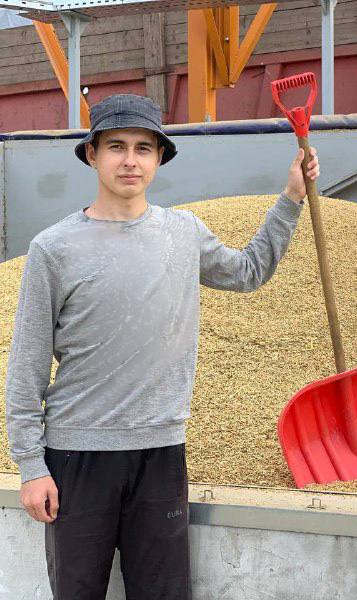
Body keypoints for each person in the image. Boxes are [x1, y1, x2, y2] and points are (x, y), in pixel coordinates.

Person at [5, 93, 320, 599]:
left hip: (160, 453)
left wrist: (291, 198)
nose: (130, 160)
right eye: (116, 147)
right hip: (77, 456)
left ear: (158, 158)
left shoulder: (183, 233)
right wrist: (31, 466)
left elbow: (248, 272)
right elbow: (28, 364)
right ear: (92, 154)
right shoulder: (53, 248)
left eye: (143, 148)